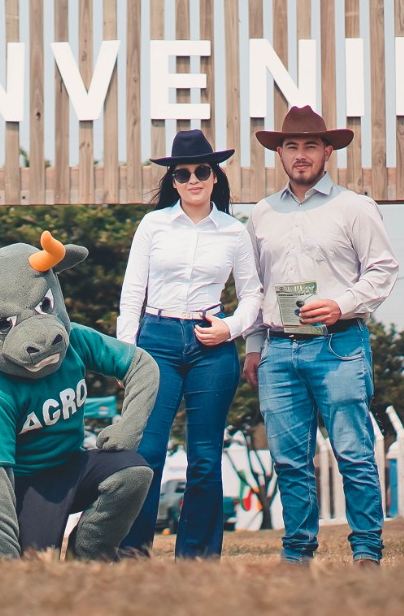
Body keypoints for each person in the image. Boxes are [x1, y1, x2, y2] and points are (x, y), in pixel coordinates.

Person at [244, 105, 398, 568]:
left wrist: (342, 304)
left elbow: (383, 269)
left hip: (340, 345)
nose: (300, 155)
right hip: (277, 348)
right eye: (291, 147)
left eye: (310, 145)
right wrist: (253, 348)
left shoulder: (354, 207)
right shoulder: (261, 214)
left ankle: (367, 551)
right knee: (290, 461)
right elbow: (254, 286)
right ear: (280, 154)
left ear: (328, 151)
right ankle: (297, 554)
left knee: (353, 452)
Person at [117, 129, 264, 558]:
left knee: (204, 458)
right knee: (146, 452)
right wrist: (128, 356)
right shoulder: (153, 224)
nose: (194, 179)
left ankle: (197, 558)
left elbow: (253, 294)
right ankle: (131, 550)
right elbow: (132, 295)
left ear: (215, 176)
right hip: (156, 339)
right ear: (174, 181)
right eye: (183, 173)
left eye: (202, 170)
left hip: (211, 343)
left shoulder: (234, 232)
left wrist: (231, 328)